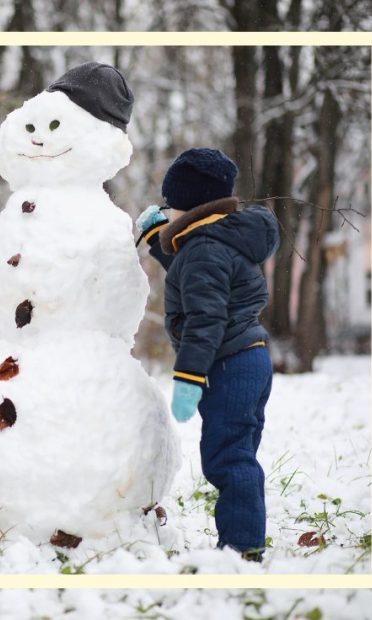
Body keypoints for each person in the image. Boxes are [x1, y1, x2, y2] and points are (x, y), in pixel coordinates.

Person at [135, 148, 280, 561]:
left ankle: (241, 548)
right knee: (239, 451)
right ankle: (244, 537)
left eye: (171, 204)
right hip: (250, 356)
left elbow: (206, 316)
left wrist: (189, 377)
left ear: (191, 205)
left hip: (228, 362)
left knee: (227, 457)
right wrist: (158, 241)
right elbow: (197, 274)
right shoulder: (221, 238)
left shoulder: (205, 249)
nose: (167, 210)